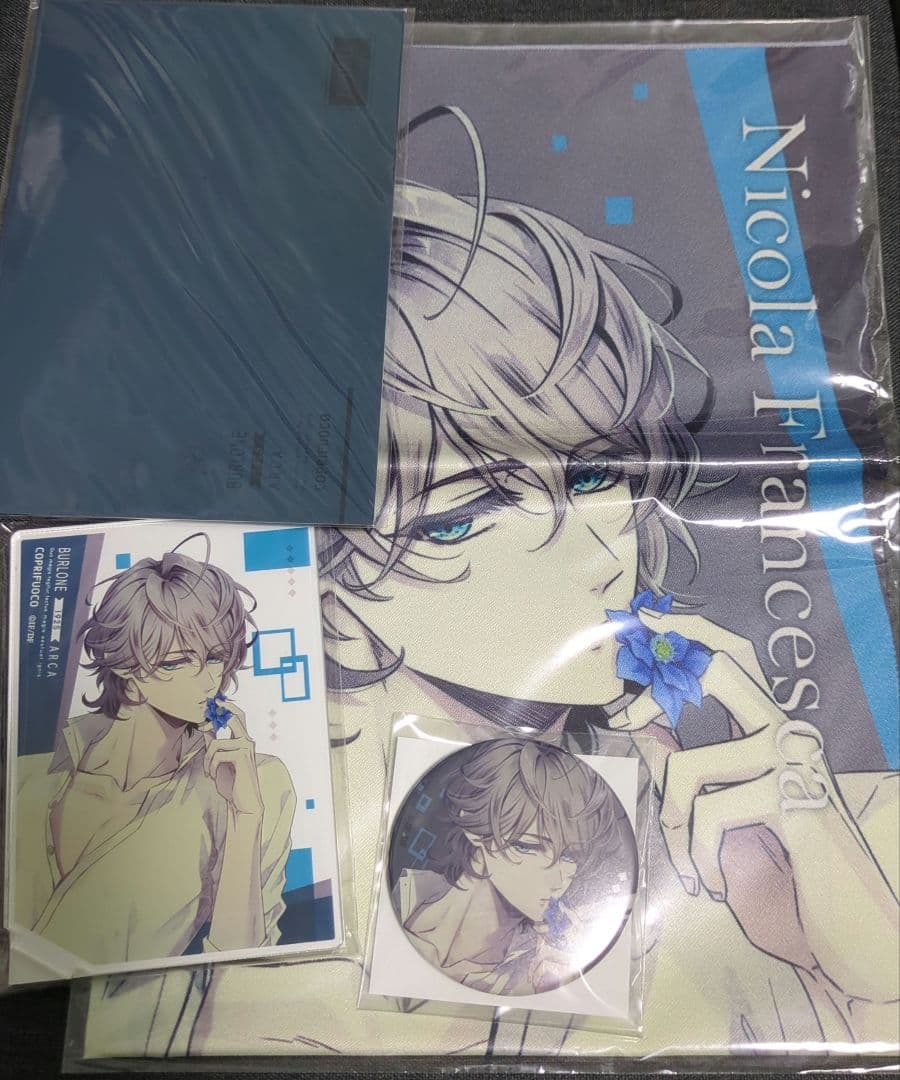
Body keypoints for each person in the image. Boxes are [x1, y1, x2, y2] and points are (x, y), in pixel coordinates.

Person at [78, 117, 898, 1059]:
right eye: (461, 519)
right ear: (327, 581)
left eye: (596, 474)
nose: (598, 553)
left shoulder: (738, 798)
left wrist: (850, 943)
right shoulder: (259, 867)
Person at [15, 535, 297, 969]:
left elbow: (241, 971)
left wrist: (245, 818)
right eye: (175, 662)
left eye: (215, 657)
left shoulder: (254, 784)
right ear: (125, 668)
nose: (207, 681)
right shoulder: (34, 767)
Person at [393, 737, 634, 996]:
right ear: (475, 829)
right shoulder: (404, 897)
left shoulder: (534, 972)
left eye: (569, 855)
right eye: (528, 846)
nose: (556, 880)